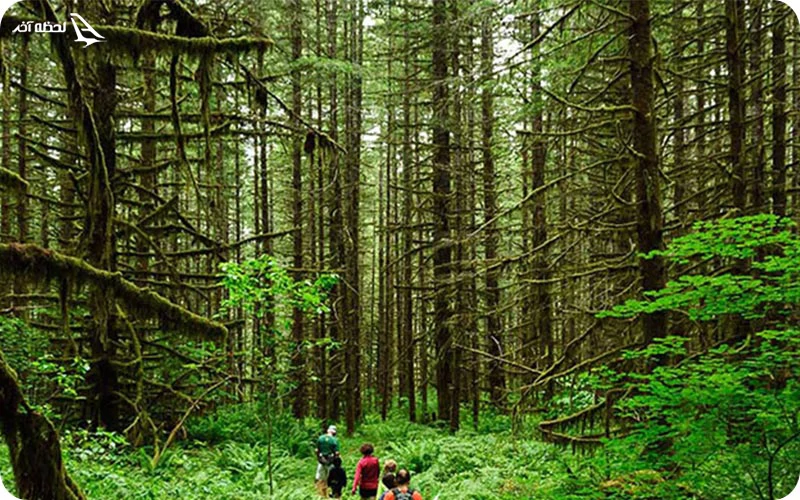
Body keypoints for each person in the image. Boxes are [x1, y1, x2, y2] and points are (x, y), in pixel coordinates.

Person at [315, 425, 340, 497]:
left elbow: (316, 450)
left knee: (321, 478)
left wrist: (319, 458)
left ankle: (321, 495)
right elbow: (337, 453)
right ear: (334, 432)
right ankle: (330, 495)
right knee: (331, 479)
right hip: (330, 461)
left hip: (321, 460)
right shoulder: (335, 440)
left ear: (328, 430)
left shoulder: (320, 438)